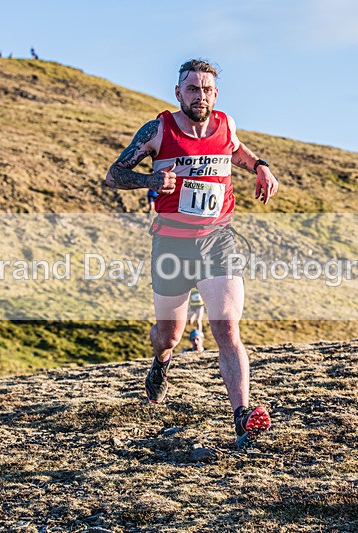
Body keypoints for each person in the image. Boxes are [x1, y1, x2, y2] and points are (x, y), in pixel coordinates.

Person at [104, 58, 279, 449]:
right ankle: (162, 361)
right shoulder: (158, 131)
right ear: (178, 92)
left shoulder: (226, 125)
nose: (200, 96)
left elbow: (237, 151)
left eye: (207, 89)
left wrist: (261, 167)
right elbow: (113, 175)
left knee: (227, 327)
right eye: (193, 89)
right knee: (169, 335)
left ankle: (242, 417)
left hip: (218, 240)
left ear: (215, 94)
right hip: (172, 245)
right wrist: (150, 179)